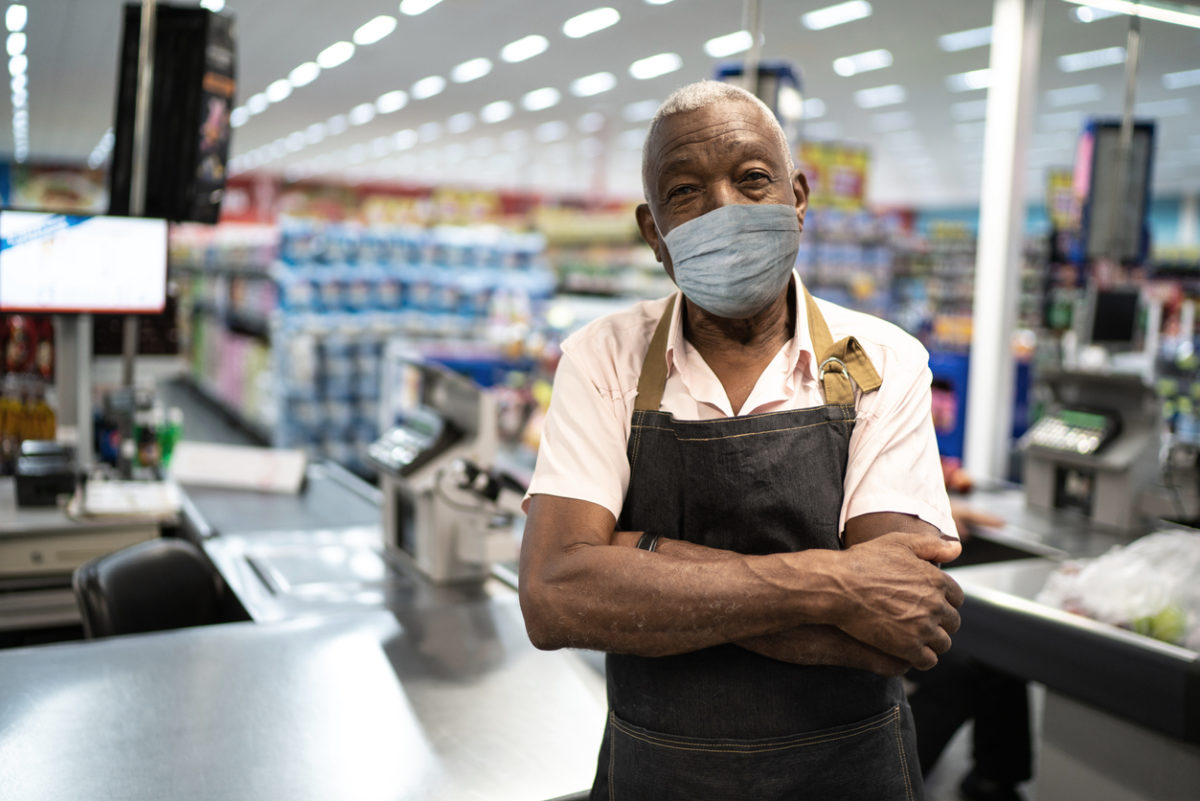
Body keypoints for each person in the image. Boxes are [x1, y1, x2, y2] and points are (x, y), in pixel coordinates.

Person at [518, 80, 964, 801]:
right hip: (661, 774)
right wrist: (833, 582)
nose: (725, 207)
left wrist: (641, 560)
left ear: (798, 198)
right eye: (686, 191)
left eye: (752, 179)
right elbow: (554, 597)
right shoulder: (602, 358)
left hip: (848, 775)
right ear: (654, 231)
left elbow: (895, 625)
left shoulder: (882, 358)